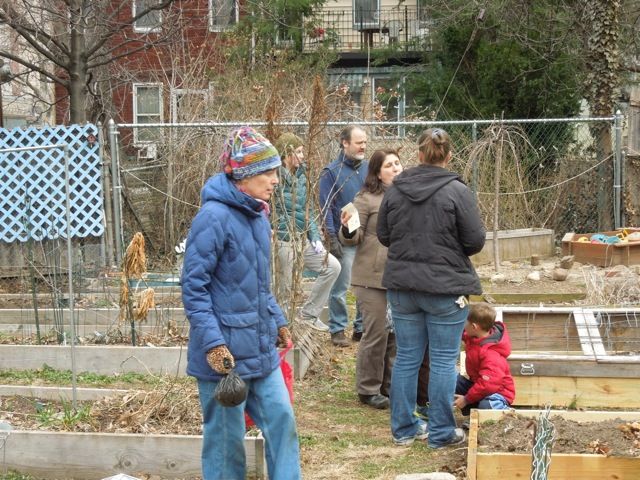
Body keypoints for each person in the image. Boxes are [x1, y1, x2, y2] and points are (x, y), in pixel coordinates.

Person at [181, 126, 301, 480]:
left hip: (260, 350)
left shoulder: (257, 216)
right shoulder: (212, 218)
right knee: (225, 447)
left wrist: (277, 319)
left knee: (282, 422)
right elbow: (194, 288)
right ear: (243, 176)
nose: (275, 180)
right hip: (224, 359)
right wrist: (214, 344)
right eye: (267, 172)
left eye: (276, 171)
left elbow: (259, 285)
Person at [377, 127, 486, 448]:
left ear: (419, 155)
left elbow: (384, 235)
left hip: (403, 288)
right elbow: (475, 240)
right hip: (444, 290)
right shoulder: (457, 191)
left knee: (407, 357)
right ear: (449, 156)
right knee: (442, 360)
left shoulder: (396, 190)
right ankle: (440, 431)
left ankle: (404, 429)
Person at [339, 149, 402, 409]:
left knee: (394, 336)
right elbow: (351, 238)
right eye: (389, 165)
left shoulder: (407, 195)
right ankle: (367, 389)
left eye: (398, 163)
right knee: (375, 333)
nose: (396, 168)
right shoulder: (365, 199)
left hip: (399, 276)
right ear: (377, 172)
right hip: (371, 277)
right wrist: (346, 225)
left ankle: (387, 386)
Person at [272, 132, 341, 332]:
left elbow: (308, 210)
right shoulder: (273, 177)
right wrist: (271, 229)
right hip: (283, 241)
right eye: (299, 152)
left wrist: (315, 238)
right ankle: (284, 329)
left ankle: (308, 315)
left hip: (303, 240)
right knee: (284, 289)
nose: (303, 156)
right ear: (287, 154)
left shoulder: (302, 177)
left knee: (332, 267)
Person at [319, 125, 368, 347]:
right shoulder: (332, 172)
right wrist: (331, 237)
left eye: (365, 142)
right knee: (340, 288)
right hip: (344, 240)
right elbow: (326, 207)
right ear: (345, 143)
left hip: (366, 238)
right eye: (358, 142)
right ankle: (337, 329)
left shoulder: (368, 169)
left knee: (365, 287)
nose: (363, 146)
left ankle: (360, 328)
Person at [454, 303, 515, 422]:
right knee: (451, 381)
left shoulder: (491, 354)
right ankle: (476, 413)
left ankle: (505, 413)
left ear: (474, 326)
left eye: (465, 323)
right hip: (480, 386)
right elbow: (463, 334)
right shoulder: (475, 337)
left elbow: (488, 386)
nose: (464, 326)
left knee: (487, 406)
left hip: (497, 393)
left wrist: (466, 399)